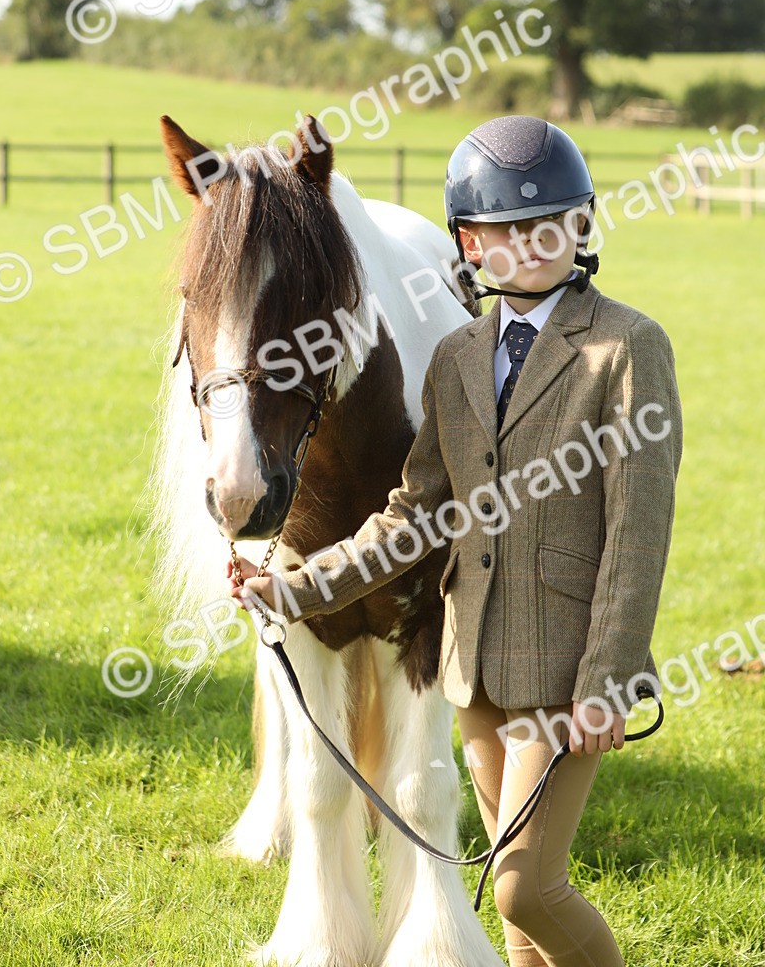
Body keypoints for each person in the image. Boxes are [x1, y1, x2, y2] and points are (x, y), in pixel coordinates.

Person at [231, 115, 683, 967]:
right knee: (515, 910)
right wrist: (294, 588)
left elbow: (637, 533)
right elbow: (412, 517)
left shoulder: (628, 346)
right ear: (469, 244)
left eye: (549, 223)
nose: (529, 244)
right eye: (505, 229)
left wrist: (606, 679)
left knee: (524, 887)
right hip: (471, 666)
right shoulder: (456, 355)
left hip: (567, 670)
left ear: (582, 225)